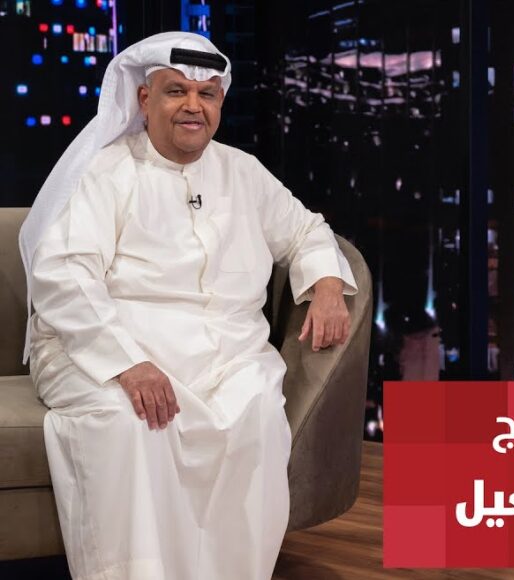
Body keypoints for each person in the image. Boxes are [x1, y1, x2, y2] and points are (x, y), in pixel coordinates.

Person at [20, 32, 358, 580]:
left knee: (256, 418)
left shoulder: (242, 171)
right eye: (176, 91)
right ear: (144, 99)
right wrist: (127, 364)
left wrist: (325, 286)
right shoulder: (106, 173)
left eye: (207, 94)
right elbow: (65, 275)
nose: (193, 106)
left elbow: (306, 231)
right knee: (130, 423)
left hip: (229, 355)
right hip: (107, 346)